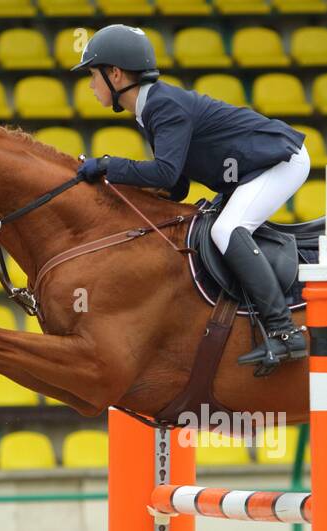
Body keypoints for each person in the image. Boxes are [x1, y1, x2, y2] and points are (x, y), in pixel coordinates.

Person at [71, 24, 310, 373]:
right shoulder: (152, 108)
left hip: (281, 161)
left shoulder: (163, 106)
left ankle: (285, 331)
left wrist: (108, 165)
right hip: (250, 169)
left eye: (93, 76)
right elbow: (178, 187)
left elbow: (165, 174)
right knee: (215, 226)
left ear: (115, 75)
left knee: (226, 230)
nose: (91, 86)